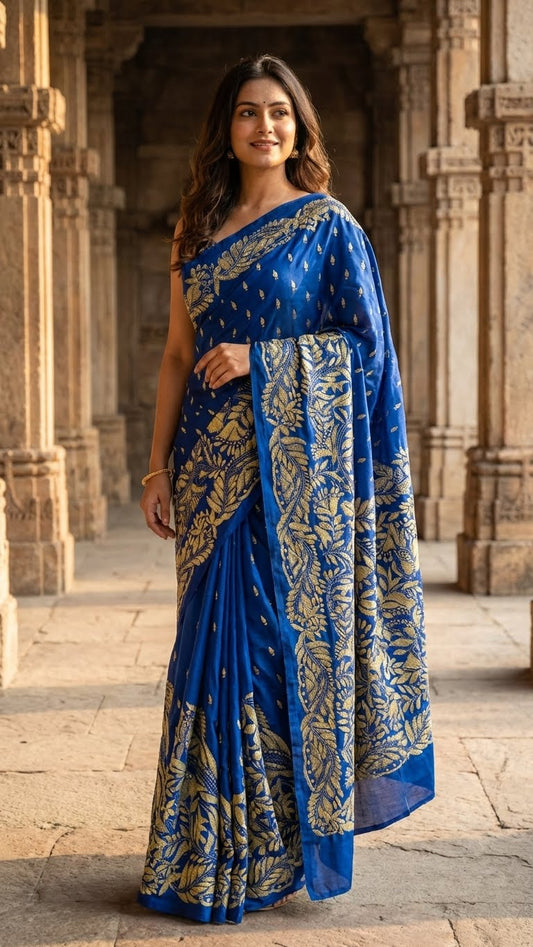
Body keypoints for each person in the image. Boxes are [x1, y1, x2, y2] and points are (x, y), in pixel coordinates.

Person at [138, 54, 434, 926]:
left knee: (273, 651)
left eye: (278, 112)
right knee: (207, 651)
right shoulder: (196, 228)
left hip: (292, 484)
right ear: (225, 128)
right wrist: (156, 468)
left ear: (299, 127)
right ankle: (201, 850)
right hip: (208, 472)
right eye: (246, 112)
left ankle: (271, 851)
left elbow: (365, 352)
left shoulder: (327, 226)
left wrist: (263, 359)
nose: (263, 126)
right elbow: (176, 356)